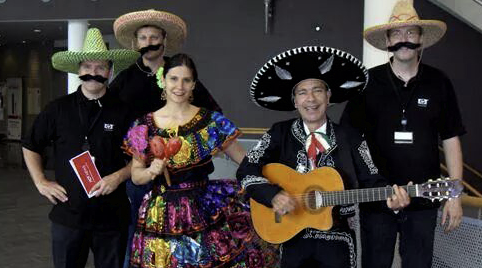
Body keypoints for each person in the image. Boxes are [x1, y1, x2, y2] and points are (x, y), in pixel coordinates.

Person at [236, 45, 410, 268]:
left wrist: (393, 200)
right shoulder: (279, 133)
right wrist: (272, 195)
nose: (311, 98)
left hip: (336, 238)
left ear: (328, 96)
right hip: (291, 234)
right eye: (302, 92)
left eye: (318, 90)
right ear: (295, 101)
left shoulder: (351, 137)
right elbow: (246, 169)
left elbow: (373, 180)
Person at [122, 53, 279, 268]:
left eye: (186, 80)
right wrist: (151, 171)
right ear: (163, 81)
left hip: (205, 209)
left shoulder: (211, 121)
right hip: (160, 213)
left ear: (194, 85)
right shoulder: (143, 125)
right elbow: (136, 176)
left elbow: (245, 161)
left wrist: (271, 186)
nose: (180, 86)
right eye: (174, 78)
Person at [342, 1, 466, 267]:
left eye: (411, 33)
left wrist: (455, 194)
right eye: (396, 34)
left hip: (425, 199)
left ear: (421, 39)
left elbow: (452, 138)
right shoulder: (367, 83)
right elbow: (350, 139)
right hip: (376, 201)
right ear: (387, 40)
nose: (404, 40)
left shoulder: (439, 82)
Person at [111, 11, 223, 266]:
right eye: (143, 37)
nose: (148, 41)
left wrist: (196, 149)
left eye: (154, 36)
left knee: (191, 242)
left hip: (186, 178)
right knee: (138, 232)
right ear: (136, 43)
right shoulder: (125, 79)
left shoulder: (179, 72)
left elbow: (214, 116)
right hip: (140, 170)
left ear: (163, 40)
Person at [21, 28, 139, 268]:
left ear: (110, 70)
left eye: (100, 68)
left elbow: (140, 156)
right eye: (87, 67)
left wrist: (118, 177)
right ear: (78, 70)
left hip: (112, 217)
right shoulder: (57, 109)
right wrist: (40, 181)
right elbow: (30, 144)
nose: (93, 73)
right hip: (68, 216)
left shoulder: (125, 111)